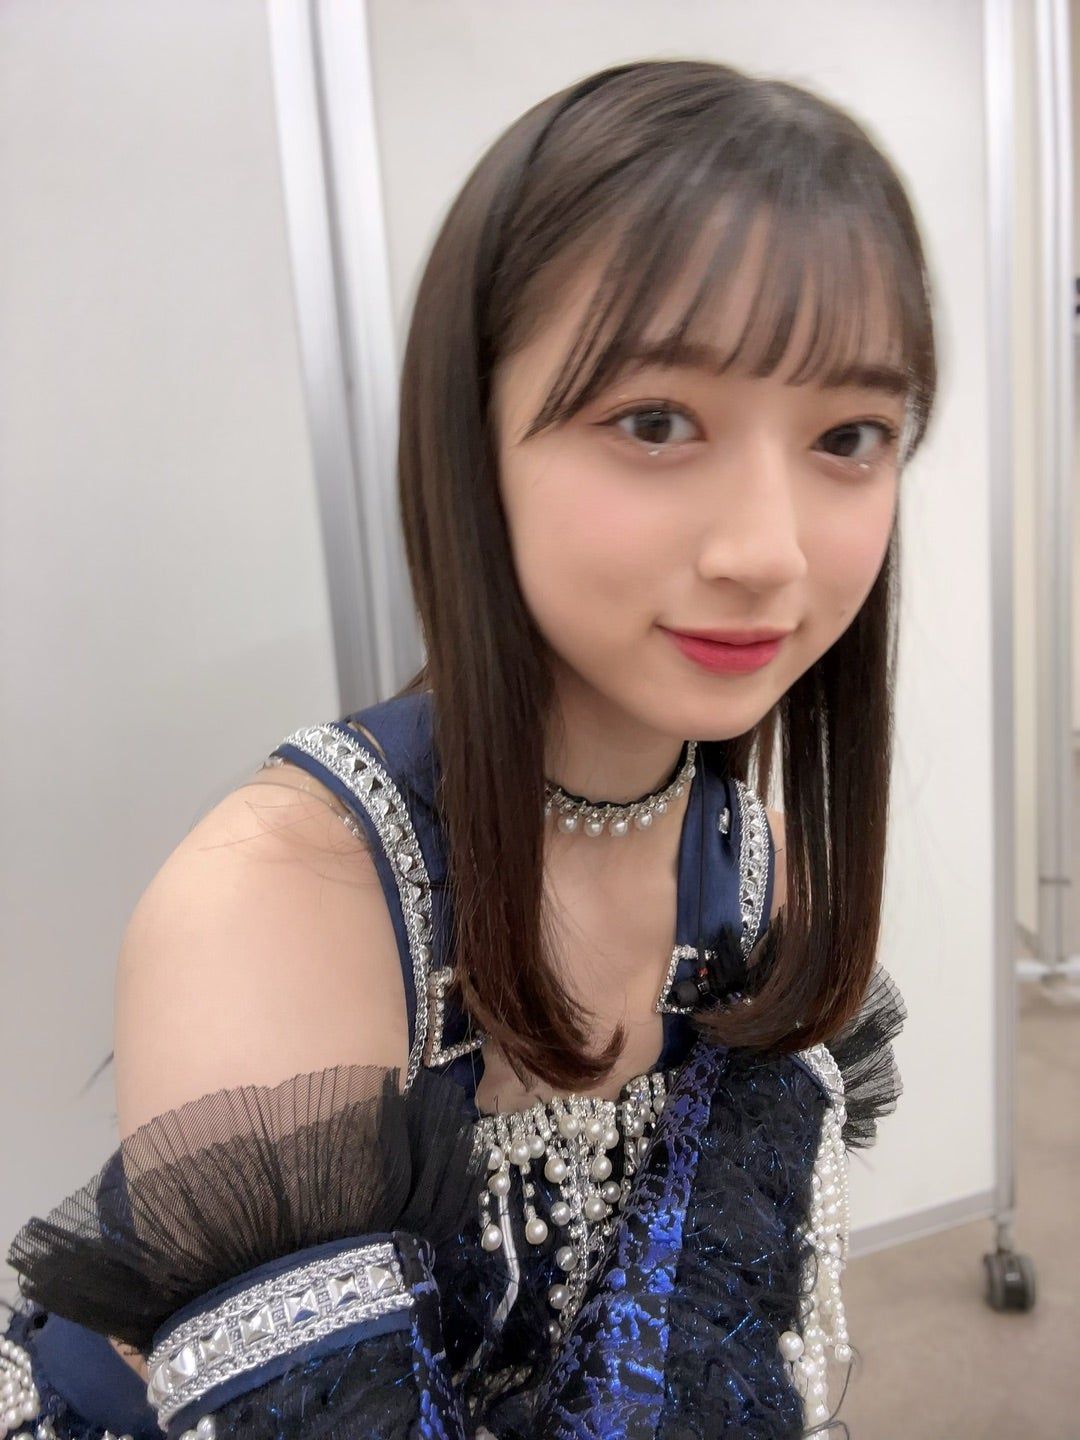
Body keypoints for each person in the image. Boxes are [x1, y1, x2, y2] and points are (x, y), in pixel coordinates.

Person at [2, 56, 928, 1440]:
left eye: (849, 437)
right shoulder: (274, 911)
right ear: (470, 437)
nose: (769, 552)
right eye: (656, 422)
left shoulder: (758, 878)